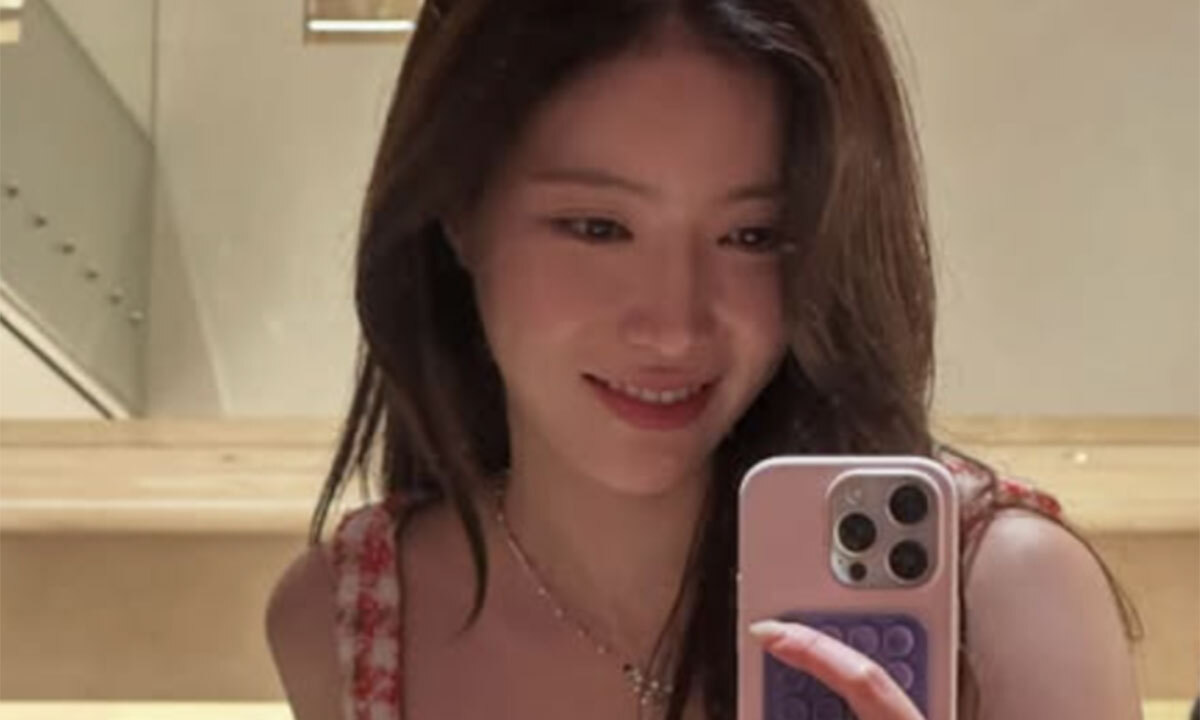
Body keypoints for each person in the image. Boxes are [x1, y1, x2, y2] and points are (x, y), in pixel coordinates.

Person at [266, 1, 1143, 718]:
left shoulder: (1002, 601)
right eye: (597, 228)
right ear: (459, 214)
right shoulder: (350, 621)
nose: (675, 328)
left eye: (752, 236)